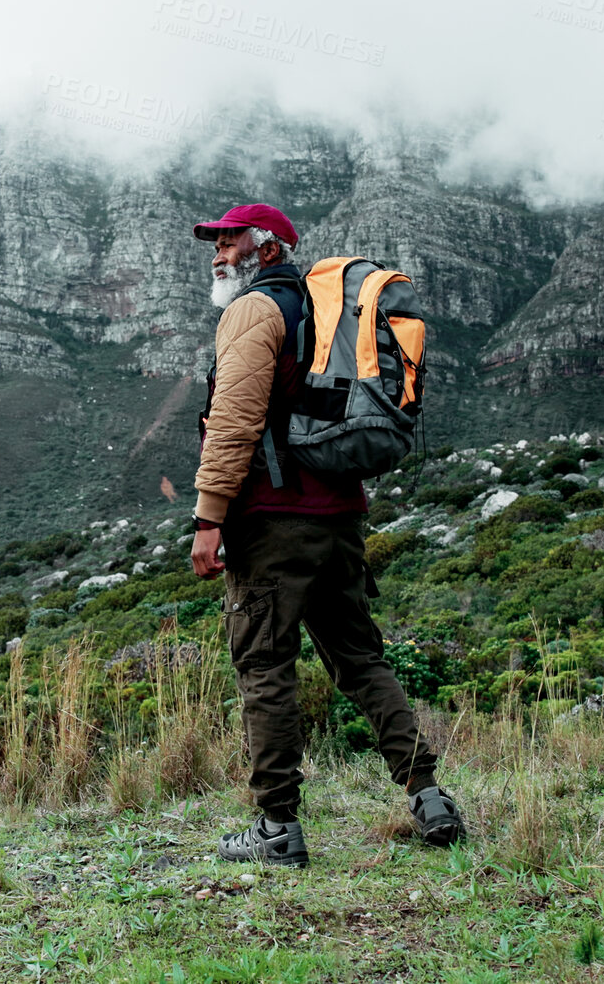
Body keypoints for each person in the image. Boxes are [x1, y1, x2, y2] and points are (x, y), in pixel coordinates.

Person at [188, 202, 464, 868]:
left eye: (229, 242)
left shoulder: (254, 311)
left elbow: (233, 420)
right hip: (339, 515)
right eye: (216, 244)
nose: (217, 254)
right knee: (360, 659)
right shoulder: (320, 312)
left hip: (272, 522)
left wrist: (208, 516)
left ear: (268, 247)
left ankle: (276, 826)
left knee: (264, 665)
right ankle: (427, 794)